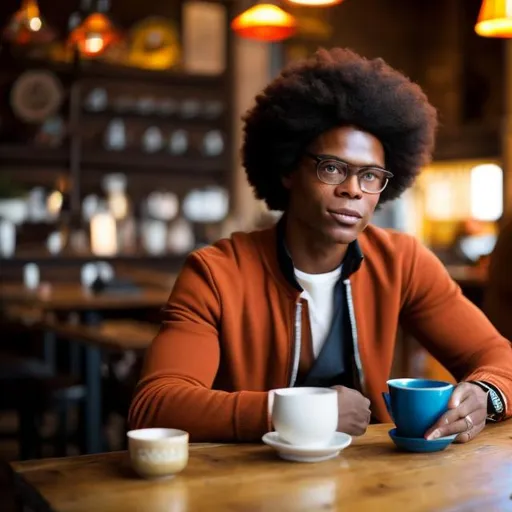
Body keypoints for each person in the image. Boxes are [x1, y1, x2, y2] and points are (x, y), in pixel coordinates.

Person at [129, 48, 512, 443]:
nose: (352, 190)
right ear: (289, 169)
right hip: (247, 486)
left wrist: (487, 395)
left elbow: (499, 358)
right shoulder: (215, 273)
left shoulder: (402, 261)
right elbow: (156, 405)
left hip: (378, 484)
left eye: (370, 176)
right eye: (332, 168)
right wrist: (304, 410)